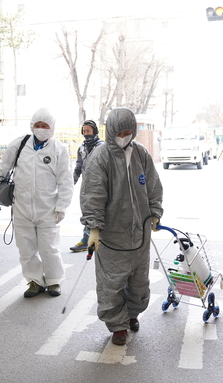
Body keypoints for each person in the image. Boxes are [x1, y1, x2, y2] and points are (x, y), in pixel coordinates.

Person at [80, 107, 163, 346]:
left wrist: (155, 213)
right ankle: (118, 325)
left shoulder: (141, 153)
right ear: (112, 131)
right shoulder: (101, 156)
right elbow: (92, 194)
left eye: (129, 131)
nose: (125, 136)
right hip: (112, 235)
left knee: (139, 282)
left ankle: (132, 314)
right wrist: (94, 228)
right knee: (111, 283)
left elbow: (154, 187)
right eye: (121, 131)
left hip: (140, 233)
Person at [0, 108, 74, 297]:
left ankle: (53, 281)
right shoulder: (19, 145)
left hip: (47, 208)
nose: (41, 129)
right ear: (32, 126)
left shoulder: (59, 150)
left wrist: (61, 207)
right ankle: (34, 281)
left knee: (49, 248)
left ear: (52, 128)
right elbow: (4, 166)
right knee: (25, 248)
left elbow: (66, 181)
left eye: (45, 126)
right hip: (22, 206)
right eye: (38, 125)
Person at [70, 120, 104, 252]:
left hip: (99, 185)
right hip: (86, 186)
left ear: (95, 131)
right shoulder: (82, 148)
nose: (86, 134)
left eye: (88, 131)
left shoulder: (102, 147)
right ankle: (87, 238)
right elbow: (78, 167)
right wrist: (71, 183)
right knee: (87, 211)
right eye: (84, 131)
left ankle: (94, 238)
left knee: (97, 211)